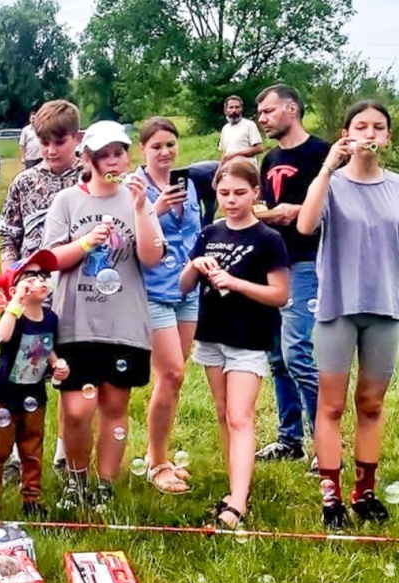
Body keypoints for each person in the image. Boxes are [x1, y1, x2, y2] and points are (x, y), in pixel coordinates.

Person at [43, 120, 165, 505]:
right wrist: (83, 243)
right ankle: (76, 482)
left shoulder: (136, 200)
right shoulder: (67, 202)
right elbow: (51, 259)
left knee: (114, 406)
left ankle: (104, 487)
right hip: (75, 323)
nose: (113, 161)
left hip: (124, 322)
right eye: (104, 155)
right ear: (89, 159)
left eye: (119, 153)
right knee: (77, 410)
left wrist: (143, 208)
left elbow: (152, 257)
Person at [297, 100, 399, 528]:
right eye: (362, 126)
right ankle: (331, 496)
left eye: (379, 127)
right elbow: (304, 225)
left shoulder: (396, 186)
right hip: (338, 306)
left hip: (386, 308)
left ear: (388, 137)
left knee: (371, 403)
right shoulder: (332, 183)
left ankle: (365, 491)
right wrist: (326, 168)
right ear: (347, 133)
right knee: (333, 405)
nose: (370, 133)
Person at [179, 159, 289, 529]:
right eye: (224, 193)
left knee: (241, 417)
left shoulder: (268, 240)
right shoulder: (210, 232)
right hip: (212, 335)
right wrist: (197, 265)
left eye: (240, 193)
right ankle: (234, 486)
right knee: (224, 411)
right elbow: (183, 286)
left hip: (250, 338)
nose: (231, 199)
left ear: (256, 193)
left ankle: (238, 503)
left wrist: (236, 283)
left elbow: (280, 295)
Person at [0, 99, 85, 479]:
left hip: (77, 287)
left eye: (59, 142)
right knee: (24, 368)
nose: (50, 150)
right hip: (31, 291)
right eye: (44, 142)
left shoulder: (88, 178)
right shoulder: (25, 181)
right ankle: (17, 454)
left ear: (76, 138)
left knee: (67, 368)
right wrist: (9, 277)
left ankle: (65, 453)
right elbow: (7, 233)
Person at [254, 84, 331, 467]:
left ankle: (326, 442)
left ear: (292, 108)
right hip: (273, 264)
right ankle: (289, 438)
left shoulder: (321, 153)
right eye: (260, 113)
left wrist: (297, 210)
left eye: (268, 111)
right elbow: (266, 209)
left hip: (306, 262)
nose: (262, 118)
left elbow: (337, 206)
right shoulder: (269, 159)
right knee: (276, 357)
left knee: (298, 352)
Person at [134, 118, 203, 495]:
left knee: (174, 379)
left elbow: (195, 231)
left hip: (188, 290)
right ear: (142, 149)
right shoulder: (135, 187)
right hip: (153, 290)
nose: (165, 152)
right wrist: (153, 209)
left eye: (171, 145)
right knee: (171, 373)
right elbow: (125, 237)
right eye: (157, 146)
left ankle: (159, 454)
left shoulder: (188, 184)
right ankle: (157, 462)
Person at [0, 251, 69, 517]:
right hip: (4, 396)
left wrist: (57, 364)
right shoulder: (13, 317)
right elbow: (2, 335)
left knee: (32, 450)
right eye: (31, 276)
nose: (40, 280)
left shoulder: (51, 318)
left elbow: (46, 346)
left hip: (34, 395)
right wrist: (15, 302)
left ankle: (31, 500)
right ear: (15, 287)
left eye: (43, 276)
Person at [218, 96, 264, 163]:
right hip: (230, 169)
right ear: (225, 110)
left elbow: (259, 148)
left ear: (241, 109)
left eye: (237, 107)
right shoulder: (225, 129)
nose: (234, 110)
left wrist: (235, 154)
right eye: (231, 107)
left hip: (247, 169)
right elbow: (224, 154)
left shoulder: (249, 125)